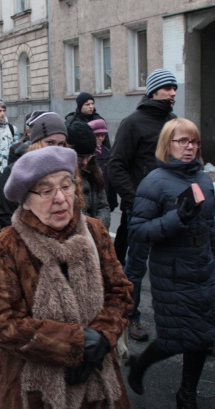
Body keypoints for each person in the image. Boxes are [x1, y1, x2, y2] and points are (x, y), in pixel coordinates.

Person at [0, 145, 133, 409]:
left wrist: (100, 337)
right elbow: (1, 323)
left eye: (67, 186)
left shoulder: (94, 233)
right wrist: (73, 344)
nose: (61, 198)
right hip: (32, 392)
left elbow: (120, 292)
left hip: (99, 382)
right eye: (46, 190)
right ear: (26, 200)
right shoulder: (6, 246)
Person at [127, 118, 215, 409]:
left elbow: (210, 225)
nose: (190, 147)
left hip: (203, 267)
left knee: (202, 335)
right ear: (167, 145)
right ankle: (140, 365)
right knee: (175, 338)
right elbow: (139, 230)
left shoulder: (204, 179)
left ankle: (187, 394)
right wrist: (176, 218)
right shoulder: (154, 182)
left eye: (194, 142)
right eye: (183, 141)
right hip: (173, 271)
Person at [109, 68, 178, 342]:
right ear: (153, 91)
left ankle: (171, 317)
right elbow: (116, 166)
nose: (173, 93)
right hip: (141, 212)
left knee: (171, 265)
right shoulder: (133, 123)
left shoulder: (173, 122)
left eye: (175, 88)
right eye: (168, 88)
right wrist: (136, 200)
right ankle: (131, 317)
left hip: (171, 211)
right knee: (136, 267)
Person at [0, 111, 68, 228]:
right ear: (36, 143)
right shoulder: (14, 172)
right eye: (50, 142)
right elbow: (5, 214)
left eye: (61, 144)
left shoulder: (67, 173)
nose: (55, 149)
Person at [67, 121, 111, 229]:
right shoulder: (63, 177)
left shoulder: (94, 171)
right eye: (81, 157)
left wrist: (97, 227)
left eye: (89, 156)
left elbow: (103, 206)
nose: (85, 162)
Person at [89, 118, 118, 211]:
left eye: (102, 135)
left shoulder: (108, 153)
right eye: (97, 135)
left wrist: (112, 201)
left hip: (105, 197)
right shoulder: (88, 154)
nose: (100, 138)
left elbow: (112, 179)